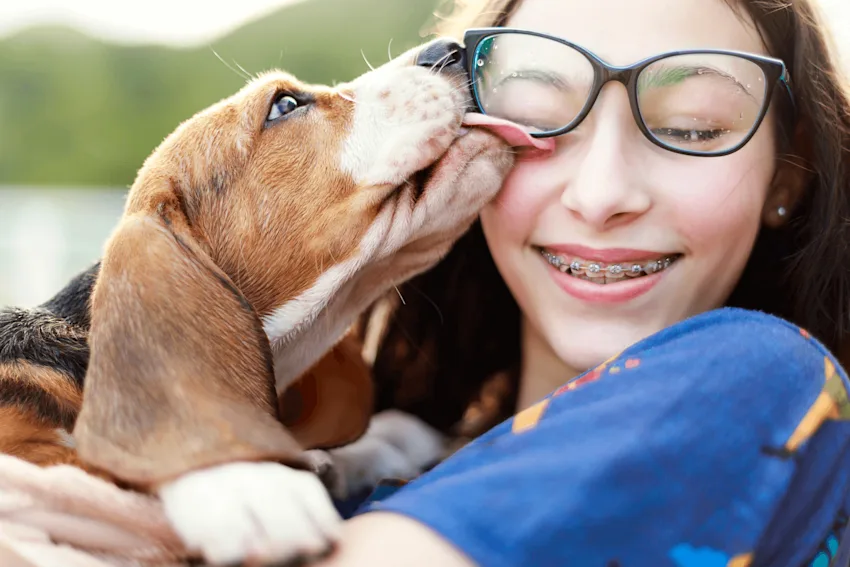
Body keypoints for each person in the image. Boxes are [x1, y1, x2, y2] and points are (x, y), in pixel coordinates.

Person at [313, 0, 850, 564]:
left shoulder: (770, 376)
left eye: (690, 129)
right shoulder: (339, 461)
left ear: (788, 173)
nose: (599, 195)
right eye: (538, 116)